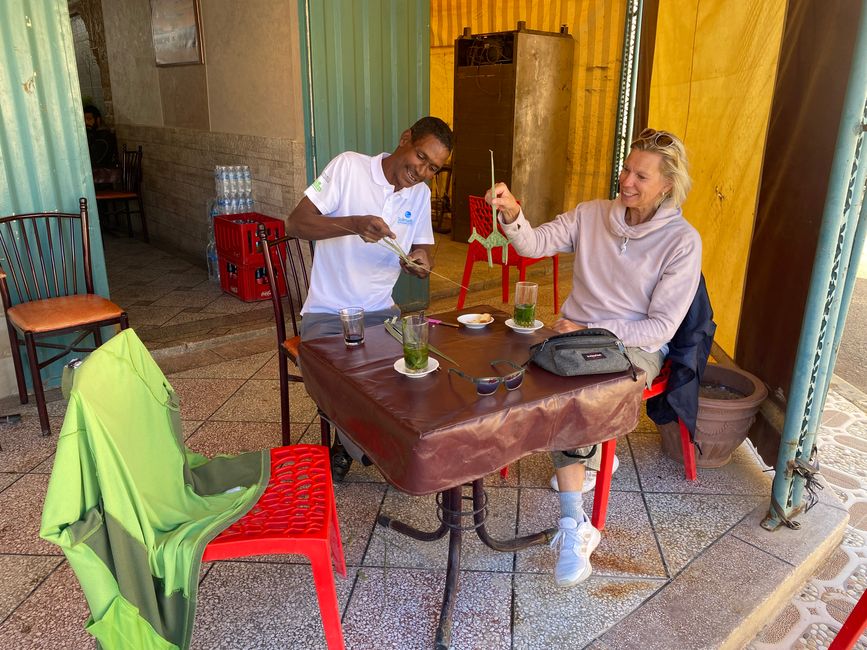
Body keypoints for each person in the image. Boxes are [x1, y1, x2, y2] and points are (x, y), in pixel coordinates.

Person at [488, 128, 701, 587]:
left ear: (667, 185)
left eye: (641, 176)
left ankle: (573, 524)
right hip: (573, 338)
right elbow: (533, 244)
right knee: (524, 373)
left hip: (633, 347)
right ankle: (586, 457)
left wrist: (592, 331)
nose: (626, 181)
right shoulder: (592, 214)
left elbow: (661, 328)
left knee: (574, 391)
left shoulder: (682, 241)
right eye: (626, 168)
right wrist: (513, 214)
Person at [287, 116, 453, 480]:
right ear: (405, 137)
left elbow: (423, 244)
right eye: (421, 156)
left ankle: (363, 444)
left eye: (433, 168)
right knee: (341, 380)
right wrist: (354, 223)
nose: (422, 171)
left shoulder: (420, 195)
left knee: (422, 373)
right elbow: (295, 223)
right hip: (328, 313)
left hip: (383, 314)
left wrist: (423, 261)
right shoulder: (349, 167)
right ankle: (375, 450)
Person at [83, 105, 119, 170]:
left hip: (105, 177)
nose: (86, 122)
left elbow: (91, 161)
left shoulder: (104, 137)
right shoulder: (94, 135)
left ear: (98, 120)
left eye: (89, 119)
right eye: (84, 120)